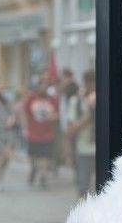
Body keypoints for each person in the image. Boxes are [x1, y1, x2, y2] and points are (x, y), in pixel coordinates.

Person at [20, 81, 61, 188]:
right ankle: (34, 169)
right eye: (41, 85)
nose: (43, 88)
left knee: (45, 156)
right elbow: (23, 112)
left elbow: (58, 113)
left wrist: (54, 117)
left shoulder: (52, 99)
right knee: (34, 156)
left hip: (47, 133)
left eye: (45, 85)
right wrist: (24, 128)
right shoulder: (31, 98)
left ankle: (43, 177)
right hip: (33, 133)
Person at [68, 69, 97, 198]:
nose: (92, 87)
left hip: (101, 150)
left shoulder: (104, 99)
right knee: (83, 188)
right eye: (89, 83)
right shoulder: (77, 102)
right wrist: (91, 114)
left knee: (102, 188)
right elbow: (72, 127)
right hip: (83, 149)